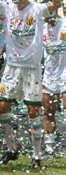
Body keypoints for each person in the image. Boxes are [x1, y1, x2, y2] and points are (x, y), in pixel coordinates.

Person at [0, 0, 61, 170]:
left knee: (34, 111)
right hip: (12, 67)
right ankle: (12, 148)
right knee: (2, 107)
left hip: (32, 68)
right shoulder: (7, 8)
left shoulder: (37, 10)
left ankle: (36, 156)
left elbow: (56, 5)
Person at [42, 14, 65, 155]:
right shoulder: (40, 28)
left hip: (65, 73)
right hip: (49, 76)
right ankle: (50, 144)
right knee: (49, 111)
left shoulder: (64, 24)